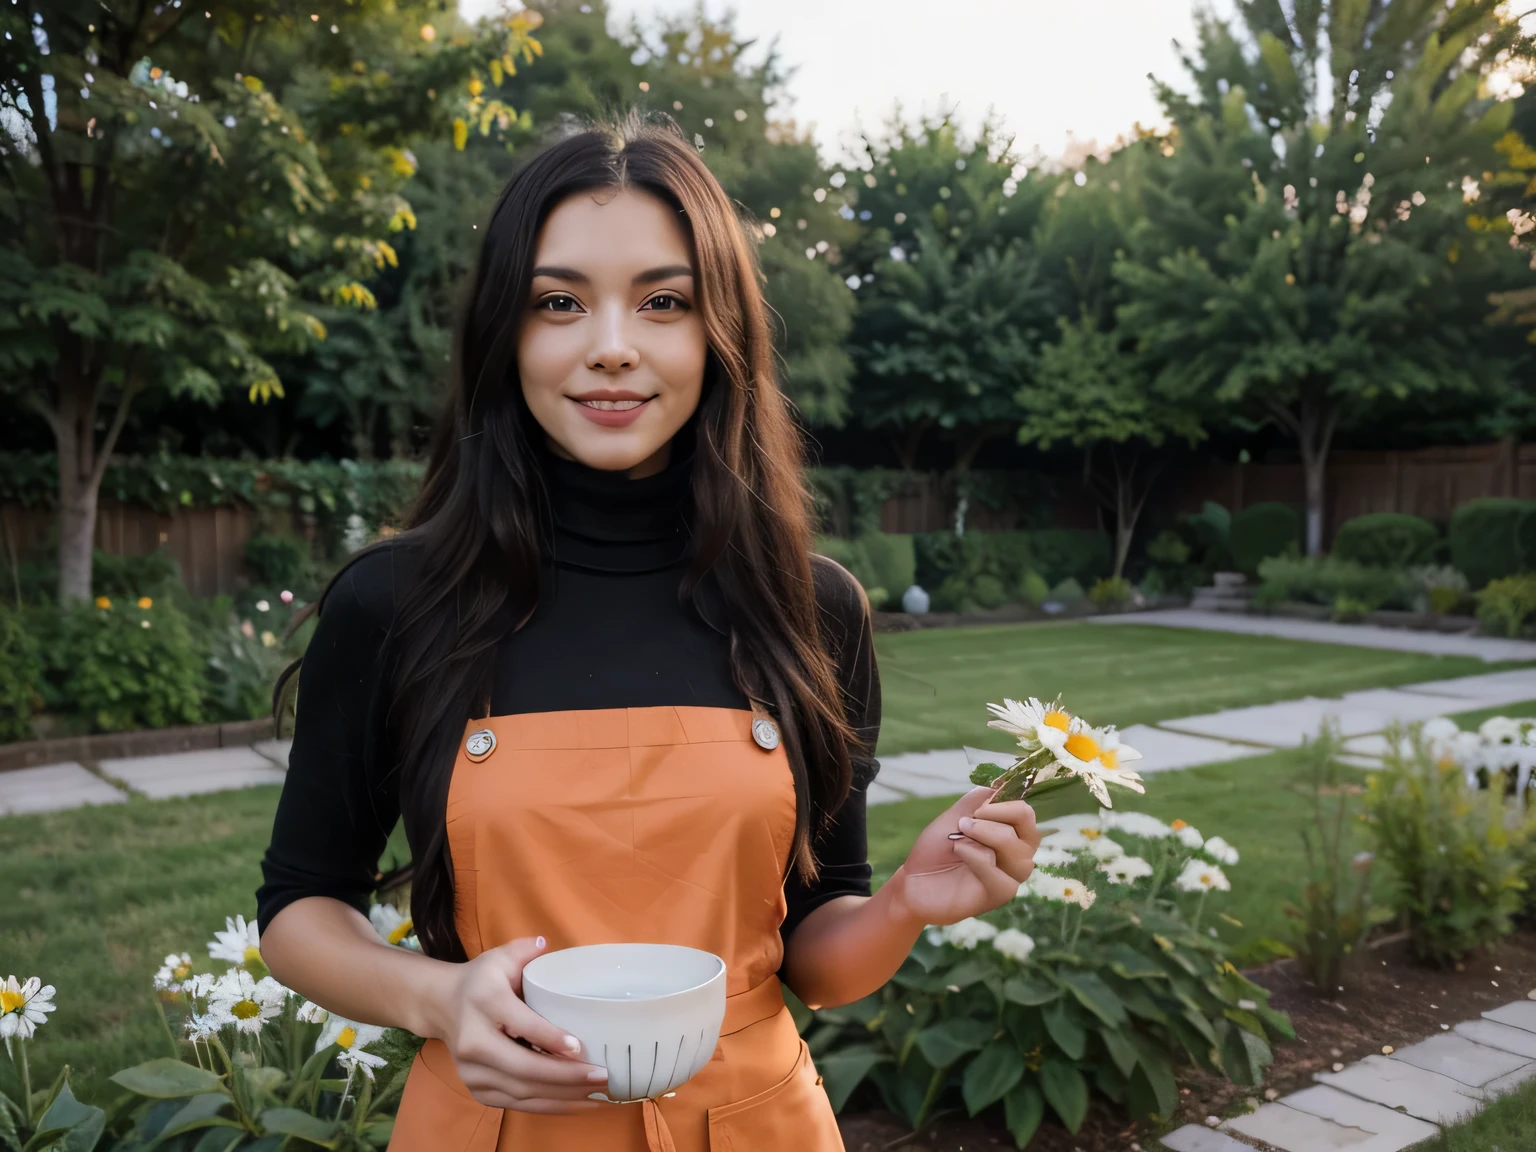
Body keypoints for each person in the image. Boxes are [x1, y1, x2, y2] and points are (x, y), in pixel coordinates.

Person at [255, 110, 1042, 1152]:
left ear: (721, 335)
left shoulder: (813, 610)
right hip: (492, 1126)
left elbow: (817, 957)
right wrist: (433, 999)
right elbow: (301, 908)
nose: (613, 347)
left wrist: (903, 903)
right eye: (559, 302)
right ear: (506, 331)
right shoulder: (396, 602)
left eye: (663, 302)